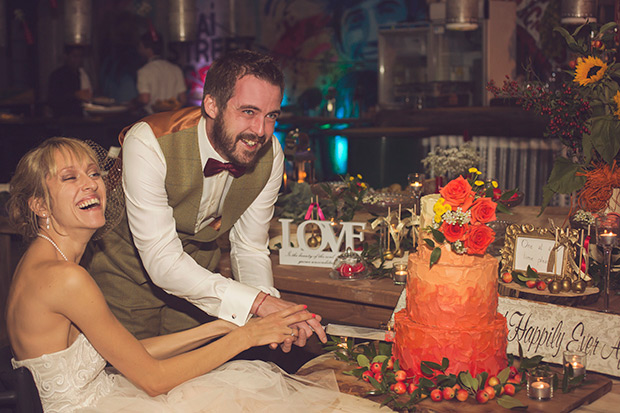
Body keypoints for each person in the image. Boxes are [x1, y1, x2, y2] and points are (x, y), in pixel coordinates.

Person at [5, 137, 387, 412]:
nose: (90, 184)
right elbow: (151, 378)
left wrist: (222, 328)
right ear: (39, 204)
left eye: (94, 173)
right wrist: (249, 336)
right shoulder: (66, 279)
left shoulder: (49, 263)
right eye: (70, 178)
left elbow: (123, 353)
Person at [86, 49, 326, 351]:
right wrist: (258, 303)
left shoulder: (271, 155)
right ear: (211, 104)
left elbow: (250, 246)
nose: (261, 131)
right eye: (248, 112)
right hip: (128, 277)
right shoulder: (148, 141)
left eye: (271, 116)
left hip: (203, 282)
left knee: (197, 383)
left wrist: (269, 310)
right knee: (132, 385)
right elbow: (161, 258)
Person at [134, 31, 187, 114]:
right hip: (172, 118)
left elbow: (145, 99)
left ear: (148, 48)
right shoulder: (176, 69)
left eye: (140, 46)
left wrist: (133, 102)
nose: (139, 50)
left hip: (152, 118)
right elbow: (183, 99)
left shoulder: (144, 71)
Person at [47, 45, 92, 117]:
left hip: (81, 119)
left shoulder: (81, 75)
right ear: (66, 56)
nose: (78, 60)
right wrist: (75, 95)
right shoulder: (57, 75)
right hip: (63, 121)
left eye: (80, 56)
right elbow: (52, 100)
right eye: (74, 56)